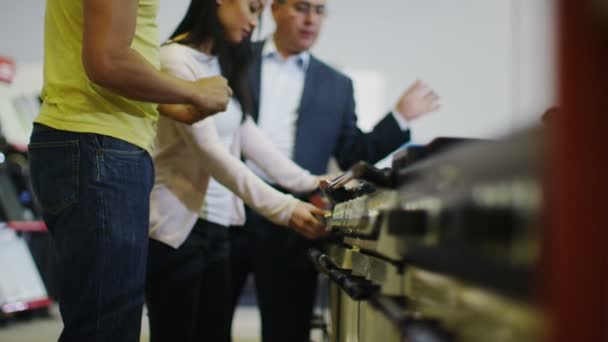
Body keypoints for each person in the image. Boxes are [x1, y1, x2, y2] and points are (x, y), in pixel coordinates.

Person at [228, 0, 441, 341]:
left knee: (287, 332)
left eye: (320, 10)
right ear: (275, 9)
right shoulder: (234, 58)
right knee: (201, 326)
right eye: (301, 7)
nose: (311, 19)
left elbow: (353, 154)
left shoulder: (337, 85)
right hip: (228, 209)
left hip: (295, 221)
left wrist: (400, 117)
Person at [27, 0, 231, 341]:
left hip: (93, 144)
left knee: (100, 320)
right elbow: (109, 60)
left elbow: (100, 56)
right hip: (100, 146)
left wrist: (166, 103)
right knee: (106, 327)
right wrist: (194, 90)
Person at [144, 0, 327, 341]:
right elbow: (210, 152)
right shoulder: (175, 60)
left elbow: (248, 137)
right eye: (253, 8)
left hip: (219, 226)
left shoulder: (219, 62)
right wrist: (286, 208)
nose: (255, 22)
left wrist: (313, 181)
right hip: (176, 229)